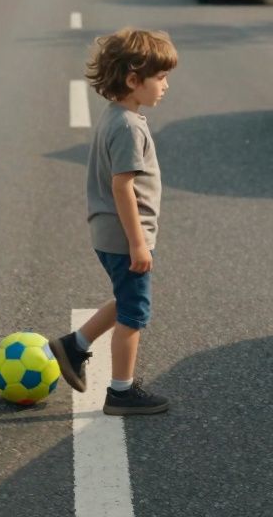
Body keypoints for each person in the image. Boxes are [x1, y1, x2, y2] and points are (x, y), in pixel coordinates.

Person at [51, 28, 177, 416]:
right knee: (134, 313)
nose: (166, 86)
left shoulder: (119, 116)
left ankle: (74, 345)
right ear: (133, 80)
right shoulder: (127, 126)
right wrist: (138, 243)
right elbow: (122, 187)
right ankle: (120, 392)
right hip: (123, 235)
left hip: (110, 233)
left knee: (126, 297)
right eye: (160, 78)